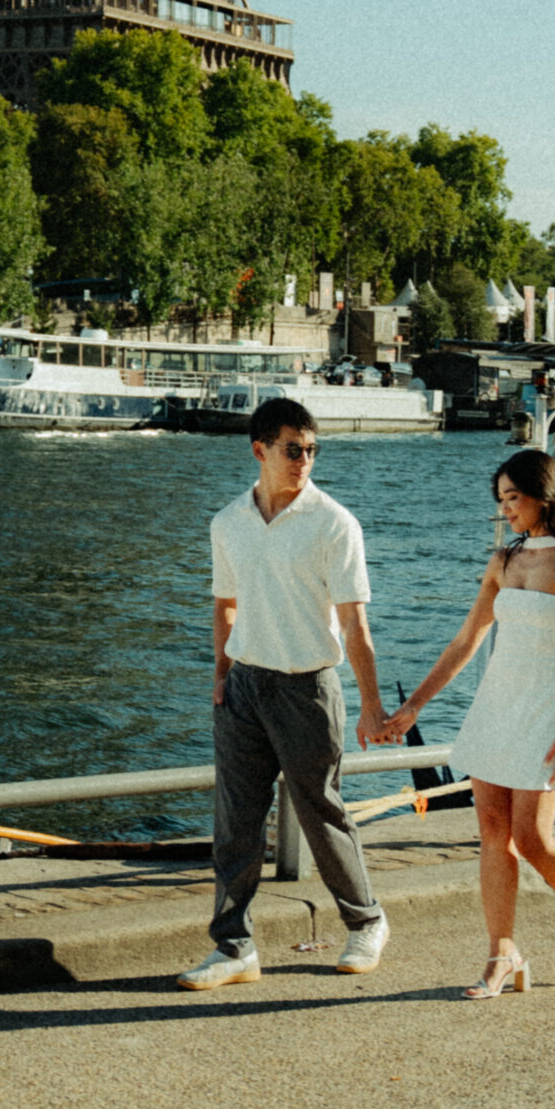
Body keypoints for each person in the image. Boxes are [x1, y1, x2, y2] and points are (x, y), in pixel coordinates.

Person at [379, 446, 555, 995]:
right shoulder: (503, 561)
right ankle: (502, 952)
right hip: (496, 703)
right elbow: (466, 641)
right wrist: (414, 706)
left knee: (532, 838)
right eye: (501, 501)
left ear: (543, 494)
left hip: (547, 707)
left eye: (513, 498)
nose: (506, 510)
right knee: (492, 835)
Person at [176, 397, 391, 990]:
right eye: (293, 449)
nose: (305, 460)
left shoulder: (334, 523)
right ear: (260, 450)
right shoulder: (228, 523)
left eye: (312, 450)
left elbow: (355, 624)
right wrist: (220, 677)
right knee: (235, 823)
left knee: (321, 813)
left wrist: (371, 706)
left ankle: (366, 921)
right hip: (244, 686)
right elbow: (224, 605)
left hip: (308, 688)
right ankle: (234, 948)